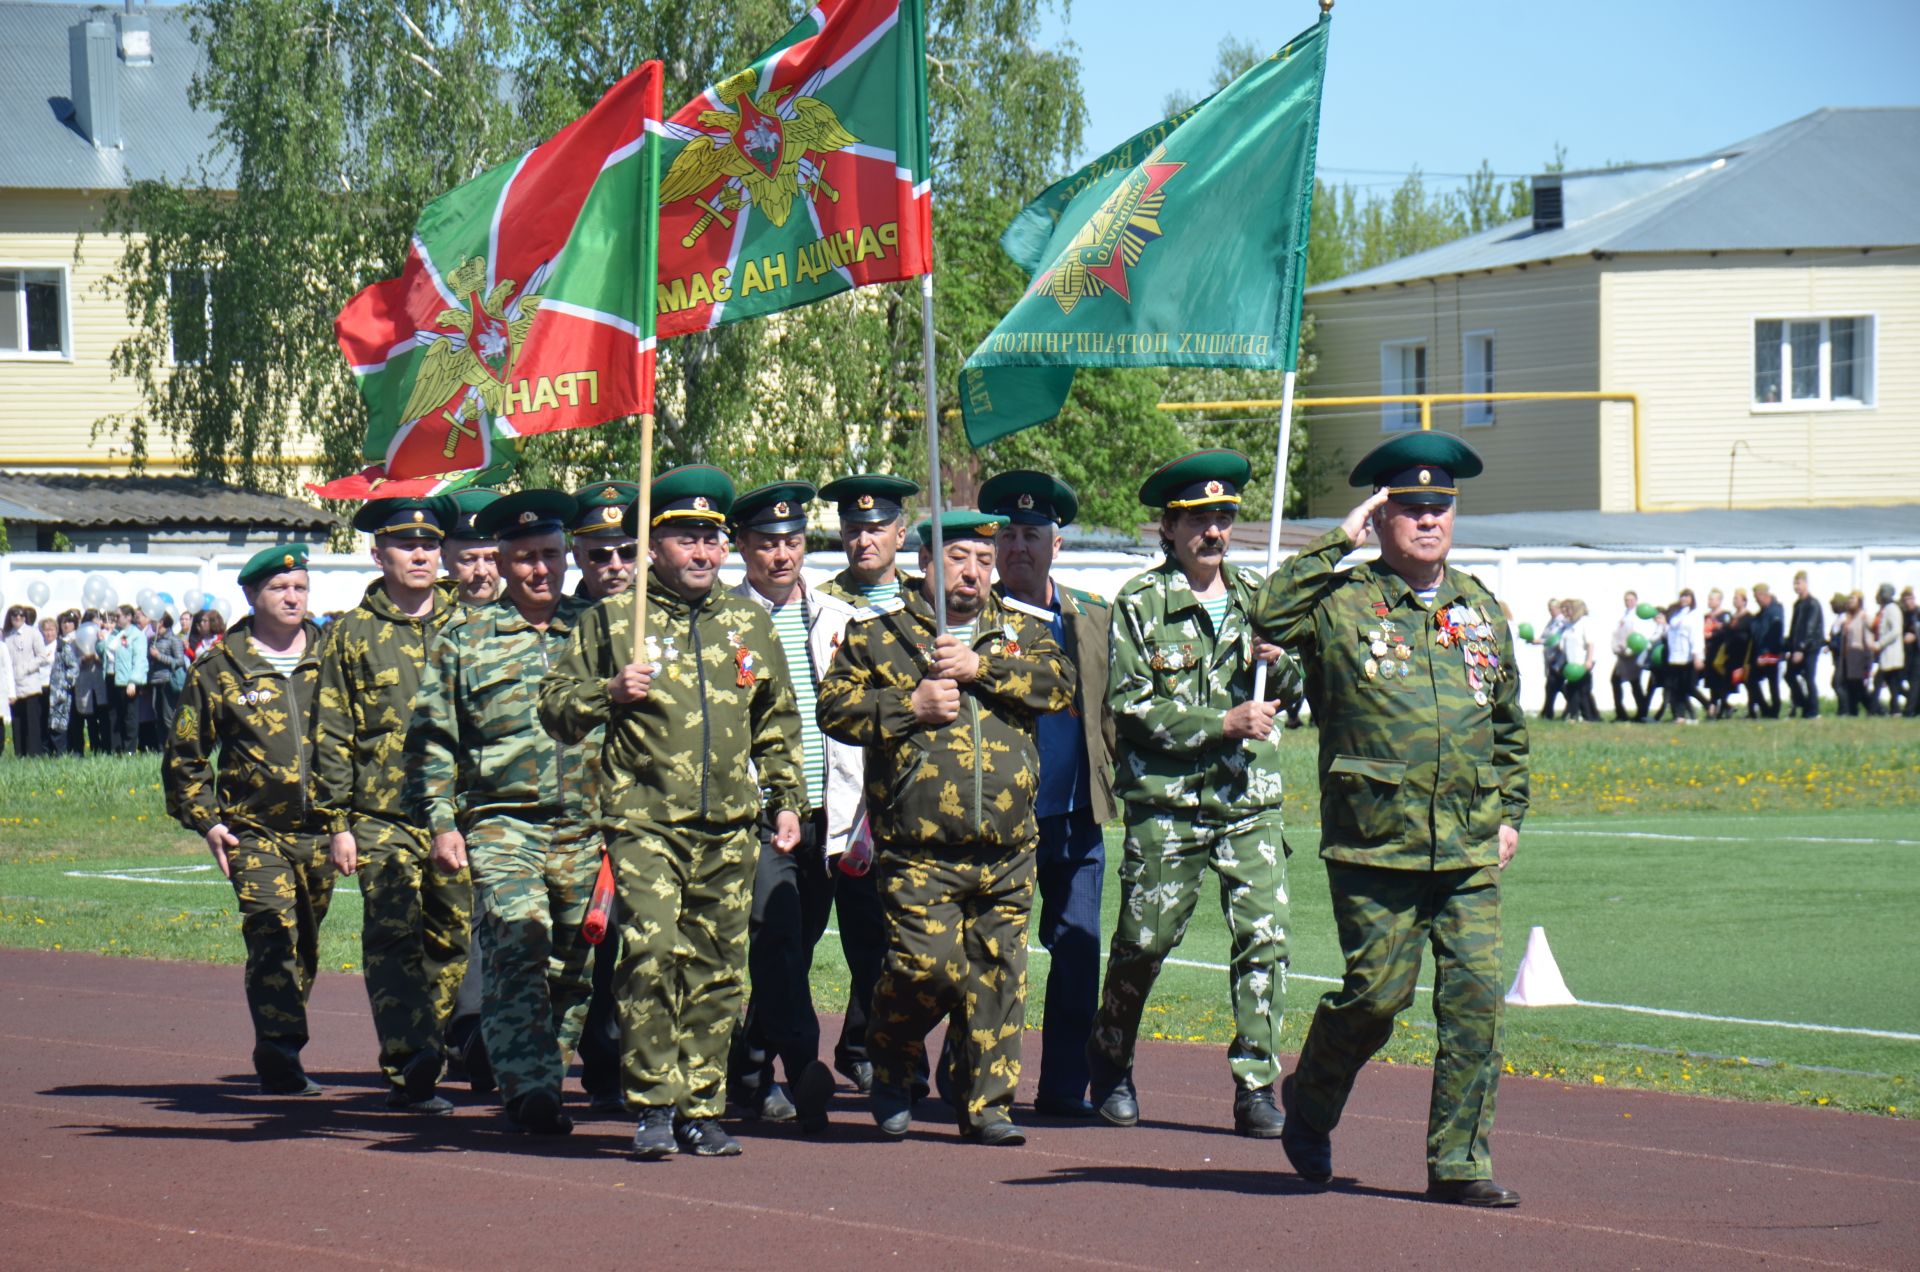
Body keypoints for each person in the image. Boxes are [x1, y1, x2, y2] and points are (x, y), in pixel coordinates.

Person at [1254, 431, 1528, 1208]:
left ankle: (1459, 1164)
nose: (1429, 520)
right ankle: (1309, 1102)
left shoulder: (1478, 607)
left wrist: (1510, 813)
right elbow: (1269, 614)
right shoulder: (1341, 603)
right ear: (1381, 518)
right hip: (1376, 843)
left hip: (1469, 844)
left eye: (1440, 507)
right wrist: (1331, 543)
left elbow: (1506, 721)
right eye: (1409, 509)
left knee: (1475, 1002)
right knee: (1376, 998)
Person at [538, 465, 804, 1160]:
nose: (703, 553)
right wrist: (609, 692)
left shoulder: (746, 620)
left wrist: (784, 799)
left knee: (717, 966)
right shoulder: (612, 620)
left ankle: (701, 1106)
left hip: (730, 825)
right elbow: (556, 709)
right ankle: (653, 1102)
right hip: (645, 820)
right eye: (686, 538)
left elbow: (776, 717)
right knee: (652, 954)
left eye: (712, 539)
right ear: (655, 544)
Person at [817, 509, 1074, 1146]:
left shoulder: (1022, 632)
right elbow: (835, 709)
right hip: (919, 849)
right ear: (928, 564)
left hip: (1008, 846)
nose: (973, 572)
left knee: (998, 978)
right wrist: (910, 705)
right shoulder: (879, 636)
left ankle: (987, 1105)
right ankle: (892, 1059)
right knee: (926, 969)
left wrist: (980, 669)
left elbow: (1060, 684)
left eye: (984, 561)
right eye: (958, 558)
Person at [1087, 450, 1302, 1140]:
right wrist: (1221, 723)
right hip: (1168, 803)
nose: (1215, 531)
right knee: (1145, 942)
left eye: (1224, 517)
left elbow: (1297, 690)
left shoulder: (1258, 600)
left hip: (1247, 801)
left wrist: (1282, 665)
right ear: (1170, 530)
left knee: (1264, 938)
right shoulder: (1141, 604)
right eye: (1199, 520)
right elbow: (1130, 708)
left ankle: (1257, 1082)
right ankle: (1112, 1061)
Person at [408, 490, 598, 1137]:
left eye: (550, 555)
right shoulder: (468, 637)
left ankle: (539, 1060)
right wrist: (440, 821)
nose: (539, 570)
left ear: (566, 557)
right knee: (519, 944)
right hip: (502, 821)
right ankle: (532, 1088)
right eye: (525, 559)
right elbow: (434, 736)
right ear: (504, 562)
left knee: (576, 961)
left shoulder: (594, 629)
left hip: (586, 824)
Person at [314, 497, 471, 1114]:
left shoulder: (471, 622)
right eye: (407, 545)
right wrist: (337, 822)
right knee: (394, 937)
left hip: (458, 815)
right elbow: (331, 732)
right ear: (378, 555)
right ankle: (410, 1065)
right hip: (383, 818)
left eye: (430, 544)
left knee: (453, 937)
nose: (422, 555)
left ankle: (426, 1042)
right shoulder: (352, 634)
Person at [163, 545, 335, 1095]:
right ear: (252, 596)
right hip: (256, 832)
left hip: (326, 831)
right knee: (272, 931)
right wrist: (208, 821)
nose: (292, 597)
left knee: (304, 944)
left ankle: (281, 1035)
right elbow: (185, 757)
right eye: (279, 589)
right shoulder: (219, 668)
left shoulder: (335, 655)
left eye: (300, 588)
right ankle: (280, 1051)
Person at [979, 470, 1115, 1119]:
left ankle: (1064, 1088)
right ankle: (975, 1081)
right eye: (1007, 534)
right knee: (987, 955)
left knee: (1079, 951)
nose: (1018, 547)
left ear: (1056, 543)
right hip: (997, 819)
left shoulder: (1090, 616)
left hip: (1073, 817)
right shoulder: (975, 618)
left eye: (1031, 534)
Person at [723, 481, 854, 1134]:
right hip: (759, 812)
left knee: (796, 949)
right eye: (768, 543)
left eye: (793, 542)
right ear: (742, 545)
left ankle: (747, 1063)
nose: (782, 555)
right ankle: (802, 1066)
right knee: (773, 938)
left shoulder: (835, 617)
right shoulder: (725, 621)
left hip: (827, 812)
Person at [813, 472, 922, 1095]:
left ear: (899, 534)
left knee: (895, 937)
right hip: (834, 787)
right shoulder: (819, 603)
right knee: (845, 932)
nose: (863, 541)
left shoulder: (922, 604)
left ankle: (874, 1046)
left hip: (907, 795)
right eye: (852, 531)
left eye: (875, 529)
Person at [563, 478, 641, 1114]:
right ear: (577, 557)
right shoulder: (563, 625)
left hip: (655, 810)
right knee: (585, 946)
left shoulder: (663, 620)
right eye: (598, 554)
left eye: (625, 551)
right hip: (574, 815)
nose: (613, 566)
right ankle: (594, 1062)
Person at [442, 489, 504, 606]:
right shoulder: (424, 612)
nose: (481, 572)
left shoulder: (527, 610)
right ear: (444, 558)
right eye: (468, 560)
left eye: (491, 559)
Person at [5, 605, 51, 757]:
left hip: (30, 682)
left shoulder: (33, 633)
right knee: (17, 721)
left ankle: (34, 753)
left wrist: (26, 668)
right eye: (14, 616)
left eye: (20, 615)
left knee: (32, 722)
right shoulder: (8, 636)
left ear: (24, 617)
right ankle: (20, 753)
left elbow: (42, 657)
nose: (17, 618)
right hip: (14, 685)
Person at [105, 604, 148, 754]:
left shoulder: (136, 635)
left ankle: (129, 749)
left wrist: (133, 682)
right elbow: (104, 651)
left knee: (130, 716)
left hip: (127, 680)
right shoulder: (115, 633)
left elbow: (139, 660)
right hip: (112, 677)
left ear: (128, 617)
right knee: (114, 716)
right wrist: (101, 640)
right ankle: (116, 749)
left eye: (118, 616)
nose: (115, 619)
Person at [1785, 572, 1826, 718]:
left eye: (1799, 583)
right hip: (1798, 648)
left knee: (1809, 678)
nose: (1797, 587)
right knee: (1789, 675)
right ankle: (1803, 703)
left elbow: (1810, 628)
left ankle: (1813, 711)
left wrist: (1801, 649)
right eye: (1795, 584)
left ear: (1806, 584)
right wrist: (1790, 648)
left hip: (1810, 648)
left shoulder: (1812, 604)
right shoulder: (1797, 604)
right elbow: (1794, 628)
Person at [1608, 592, 1653, 722]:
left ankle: (1641, 712)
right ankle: (1623, 712)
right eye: (1626, 600)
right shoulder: (1625, 615)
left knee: (1634, 682)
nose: (1629, 602)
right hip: (1623, 654)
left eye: (1631, 599)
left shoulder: (1638, 616)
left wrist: (1631, 649)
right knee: (1618, 681)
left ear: (1636, 600)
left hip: (1633, 654)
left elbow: (1638, 635)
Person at [1663, 590, 1704, 724]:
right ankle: (1679, 715)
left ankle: (1702, 709)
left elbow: (1696, 636)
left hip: (1687, 656)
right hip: (1674, 655)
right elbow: (1670, 632)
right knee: (1675, 687)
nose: (1684, 599)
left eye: (1687, 596)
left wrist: (1697, 655)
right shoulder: (1676, 614)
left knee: (1687, 687)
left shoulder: (1694, 614)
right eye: (1682, 596)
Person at [1746, 583, 1786, 719]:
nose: (1756, 601)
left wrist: (1766, 653)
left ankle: (1774, 710)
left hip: (1771, 652)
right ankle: (1765, 709)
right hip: (1760, 653)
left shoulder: (1775, 610)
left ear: (1763, 595)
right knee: (1752, 680)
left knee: (1772, 682)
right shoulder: (1761, 613)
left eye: (1757, 597)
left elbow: (1775, 634)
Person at [148, 613, 189, 743]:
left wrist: (159, 656)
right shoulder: (153, 640)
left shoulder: (173, 639)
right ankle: (163, 747)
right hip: (155, 680)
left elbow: (179, 661)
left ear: (161, 622)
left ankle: (175, 745)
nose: (151, 625)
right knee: (158, 715)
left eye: (154, 622)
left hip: (168, 681)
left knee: (168, 717)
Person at [1557, 600, 1599, 722]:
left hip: (1582, 663)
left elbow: (1590, 643)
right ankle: (1575, 714)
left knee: (1582, 691)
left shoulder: (1584, 622)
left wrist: (1589, 660)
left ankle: (1588, 716)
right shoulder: (1570, 624)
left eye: (1570, 609)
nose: (1568, 612)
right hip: (1571, 663)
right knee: (1572, 689)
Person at [47, 610, 81, 754]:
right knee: (58, 721)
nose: (66, 625)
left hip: (69, 688)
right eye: (64, 622)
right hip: (56, 689)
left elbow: (74, 667)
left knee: (72, 721)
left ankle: (75, 751)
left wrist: (66, 682)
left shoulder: (73, 641)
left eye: (70, 622)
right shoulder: (59, 642)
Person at [1870, 583, 1904, 715]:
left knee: (1879, 681)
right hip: (1887, 654)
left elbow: (1896, 630)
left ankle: (1874, 710)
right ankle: (1895, 710)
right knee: (1892, 684)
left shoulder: (1892, 609)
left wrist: (1880, 643)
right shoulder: (1886, 609)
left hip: (1891, 654)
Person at [1837, 592, 1873, 716]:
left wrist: (1869, 654)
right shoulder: (1848, 618)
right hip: (1848, 653)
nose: (1850, 601)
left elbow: (1868, 634)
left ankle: (1874, 708)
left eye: (1853, 599)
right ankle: (1853, 710)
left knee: (1858, 685)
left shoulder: (1863, 616)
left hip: (1859, 652)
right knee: (1850, 684)